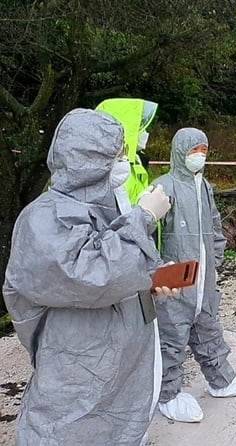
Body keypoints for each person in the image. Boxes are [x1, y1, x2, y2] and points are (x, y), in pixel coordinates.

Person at [2, 108, 175, 445]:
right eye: (116, 154)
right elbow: (97, 277)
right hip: (76, 375)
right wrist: (142, 219)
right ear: (88, 159)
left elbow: (124, 271)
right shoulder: (44, 219)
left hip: (118, 368)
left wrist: (150, 286)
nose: (123, 162)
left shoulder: (104, 206)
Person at [153, 127, 236, 423]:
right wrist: (159, 271)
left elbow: (215, 227)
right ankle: (168, 394)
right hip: (173, 279)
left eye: (203, 151)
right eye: (193, 151)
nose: (199, 156)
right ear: (179, 152)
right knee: (172, 336)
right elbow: (144, 234)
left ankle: (222, 380)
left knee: (208, 328)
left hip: (203, 277)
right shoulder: (164, 187)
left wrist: (214, 260)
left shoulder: (204, 187)